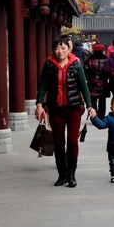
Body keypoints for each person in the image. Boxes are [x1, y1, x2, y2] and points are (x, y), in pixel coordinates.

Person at [35, 37, 94, 188]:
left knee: (73, 141)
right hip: (55, 109)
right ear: (53, 50)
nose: (60, 52)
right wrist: (39, 104)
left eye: (63, 48)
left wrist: (89, 105)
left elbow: (83, 86)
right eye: (56, 49)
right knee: (58, 142)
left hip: (74, 108)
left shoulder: (76, 64)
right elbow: (43, 85)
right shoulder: (49, 65)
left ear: (69, 49)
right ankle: (62, 174)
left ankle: (71, 174)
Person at [85, 44, 109, 119]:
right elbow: (108, 72)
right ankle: (101, 116)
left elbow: (86, 71)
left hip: (92, 81)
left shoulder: (89, 60)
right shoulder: (106, 60)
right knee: (102, 100)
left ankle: (94, 115)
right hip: (103, 82)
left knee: (93, 99)